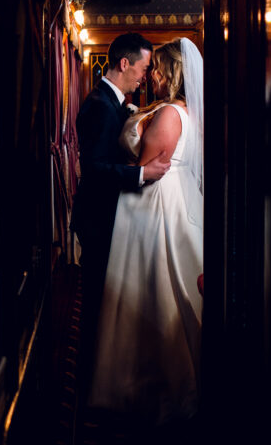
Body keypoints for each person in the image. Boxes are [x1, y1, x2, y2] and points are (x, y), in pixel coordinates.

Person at [87, 37, 205, 427]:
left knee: (151, 289)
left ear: (170, 73)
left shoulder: (170, 113)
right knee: (152, 289)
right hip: (152, 203)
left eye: (156, 68)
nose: (150, 74)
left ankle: (150, 384)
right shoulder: (176, 110)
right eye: (146, 67)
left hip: (153, 207)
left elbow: (146, 161)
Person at [71, 33, 170, 400]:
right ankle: (87, 384)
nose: (145, 76)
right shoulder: (99, 105)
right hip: (98, 219)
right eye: (143, 68)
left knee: (104, 299)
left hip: (107, 217)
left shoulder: (114, 103)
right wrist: (142, 175)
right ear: (125, 64)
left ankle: (98, 373)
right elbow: (96, 169)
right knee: (97, 300)